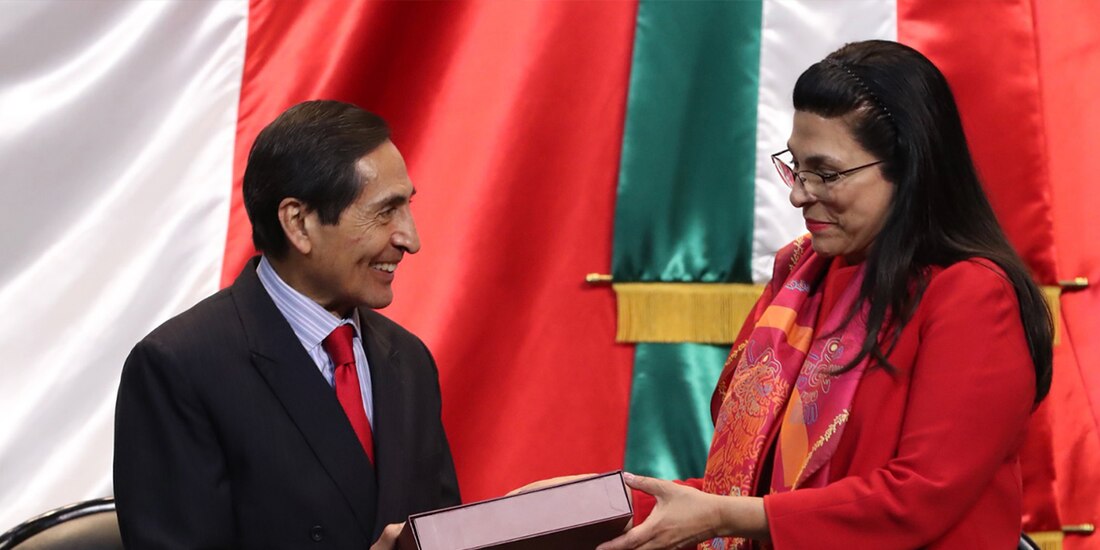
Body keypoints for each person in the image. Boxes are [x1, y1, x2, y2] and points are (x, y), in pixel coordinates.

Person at [595, 40, 1053, 549]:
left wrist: (724, 515)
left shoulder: (971, 296)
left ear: (911, 170)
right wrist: (605, 504)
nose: (798, 193)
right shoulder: (803, 276)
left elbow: (917, 500)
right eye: (797, 166)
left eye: (826, 174)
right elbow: (756, 488)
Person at [114, 100, 460, 549]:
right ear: (298, 223)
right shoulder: (179, 369)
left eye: (407, 208)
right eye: (385, 211)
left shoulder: (409, 360)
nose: (410, 239)